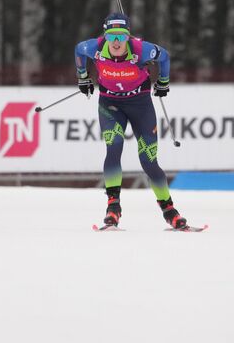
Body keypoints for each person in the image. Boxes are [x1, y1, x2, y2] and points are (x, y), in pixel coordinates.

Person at [74, 12, 188, 230]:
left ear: (128, 37)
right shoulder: (95, 48)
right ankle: (113, 207)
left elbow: (163, 56)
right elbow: (79, 49)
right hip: (110, 105)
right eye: (112, 36)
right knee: (113, 147)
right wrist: (82, 77)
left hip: (141, 105)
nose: (116, 42)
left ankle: (169, 210)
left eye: (121, 36)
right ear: (105, 36)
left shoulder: (141, 49)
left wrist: (163, 82)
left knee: (149, 160)